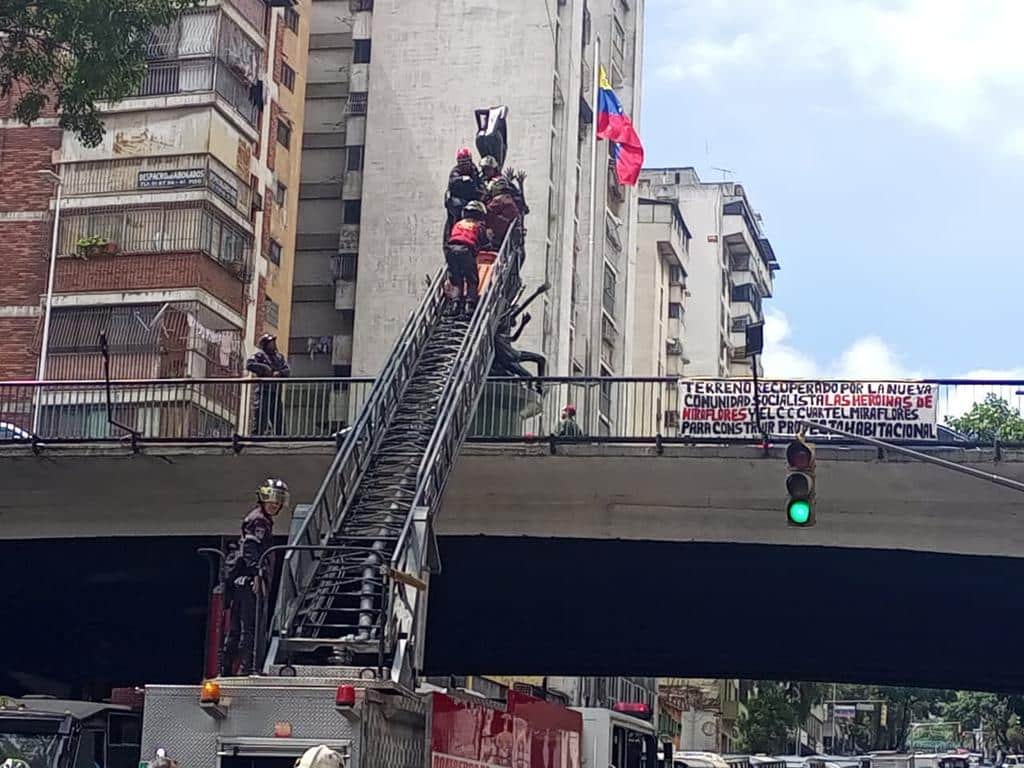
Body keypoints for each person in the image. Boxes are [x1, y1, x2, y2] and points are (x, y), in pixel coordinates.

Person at [220, 477, 290, 676]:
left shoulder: (261, 519)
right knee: (249, 627)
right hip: (250, 581)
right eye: (272, 500)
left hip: (242, 580)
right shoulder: (258, 520)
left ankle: (226, 668)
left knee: (237, 628)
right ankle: (247, 669)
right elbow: (250, 549)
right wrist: (258, 575)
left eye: (278, 501)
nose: (275, 505)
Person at [445, 200, 487, 317]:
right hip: (466, 251)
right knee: (471, 279)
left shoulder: (458, 224)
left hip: (451, 250)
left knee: (456, 279)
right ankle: (469, 305)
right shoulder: (478, 226)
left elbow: (452, 236)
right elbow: (484, 241)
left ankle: (455, 305)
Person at [246, 334, 290, 436]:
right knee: (260, 417)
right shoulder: (260, 355)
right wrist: (265, 369)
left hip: (275, 393)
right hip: (263, 392)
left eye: (273, 342)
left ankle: (282, 439)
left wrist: (279, 373)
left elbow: (287, 370)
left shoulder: (279, 357)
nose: (272, 345)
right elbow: (250, 364)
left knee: (278, 419)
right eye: (270, 343)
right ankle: (256, 437)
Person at [443, 147, 483, 246]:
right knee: (457, 211)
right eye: (461, 163)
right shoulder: (455, 172)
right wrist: (462, 179)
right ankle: (454, 234)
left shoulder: (474, 170)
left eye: (466, 162)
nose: (464, 166)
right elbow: (453, 180)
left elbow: (479, 184)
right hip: (458, 200)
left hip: (471, 199)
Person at [484, 176, 521, 249]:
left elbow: (487, 211)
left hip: (499, 230)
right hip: (508, 231)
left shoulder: (499, 199)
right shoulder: (510, 199)